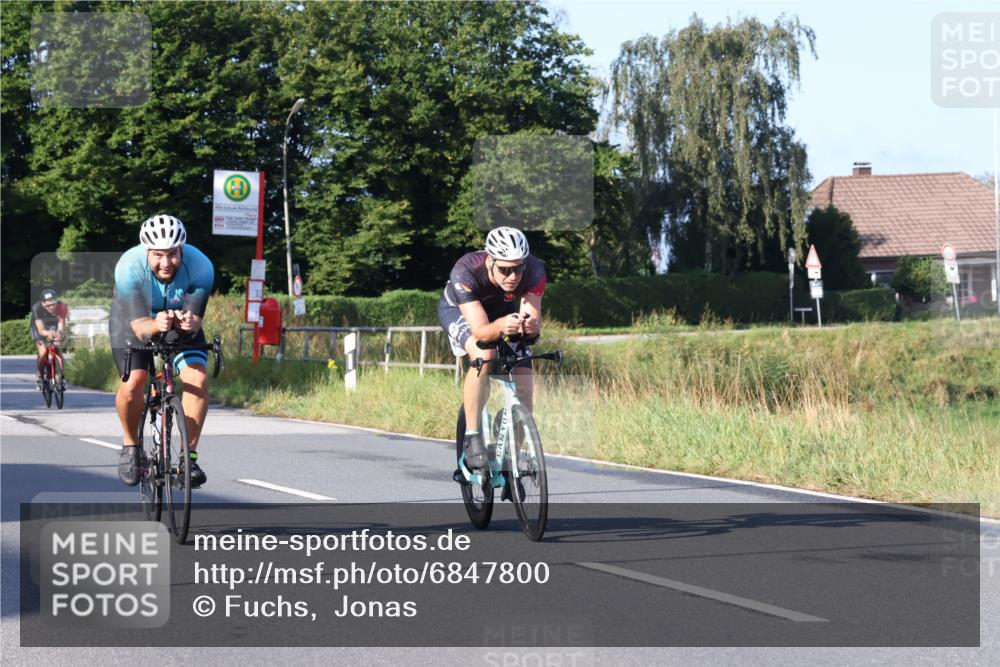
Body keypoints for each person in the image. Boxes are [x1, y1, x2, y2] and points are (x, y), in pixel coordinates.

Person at [111, 214, 214, 488]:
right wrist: (155, 323)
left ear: (182, 250)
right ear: (147, 251)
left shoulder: (201, 266)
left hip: (175, 319)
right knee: (134, 382)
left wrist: (189, 322)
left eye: (172, 255)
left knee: (198, 378)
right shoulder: (128, 268)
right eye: (158, 255)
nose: (166, 263)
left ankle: (188, 457)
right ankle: (131, 446)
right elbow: (139, 327)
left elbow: (194, 321)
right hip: (134, 321)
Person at [437, 226, 546, 469]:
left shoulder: (535, 270)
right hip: (460, 312)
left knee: (525, 381)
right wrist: (501, 327)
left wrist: (531, 328)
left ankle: (511, 461)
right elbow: (482, 331)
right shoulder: (466, 271)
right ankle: (472, 435)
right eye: (505, 269)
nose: (513, 276)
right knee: (484, 354)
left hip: (501, 314)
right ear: (490, 262)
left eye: (518, 268)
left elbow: (531, 320)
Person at [31, 289, 68, 388]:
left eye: (53, 304)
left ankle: (61, 377)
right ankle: (40, 375)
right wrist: (48, 333)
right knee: (43, 352)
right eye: (48, 305)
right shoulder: (36, 308)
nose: (51, 307)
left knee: (58, 349)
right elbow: (41, 330)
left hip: (53, 324)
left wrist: (59, 332)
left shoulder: (62, 307)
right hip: (40, 327)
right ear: (43, 303)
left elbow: (61, 323)